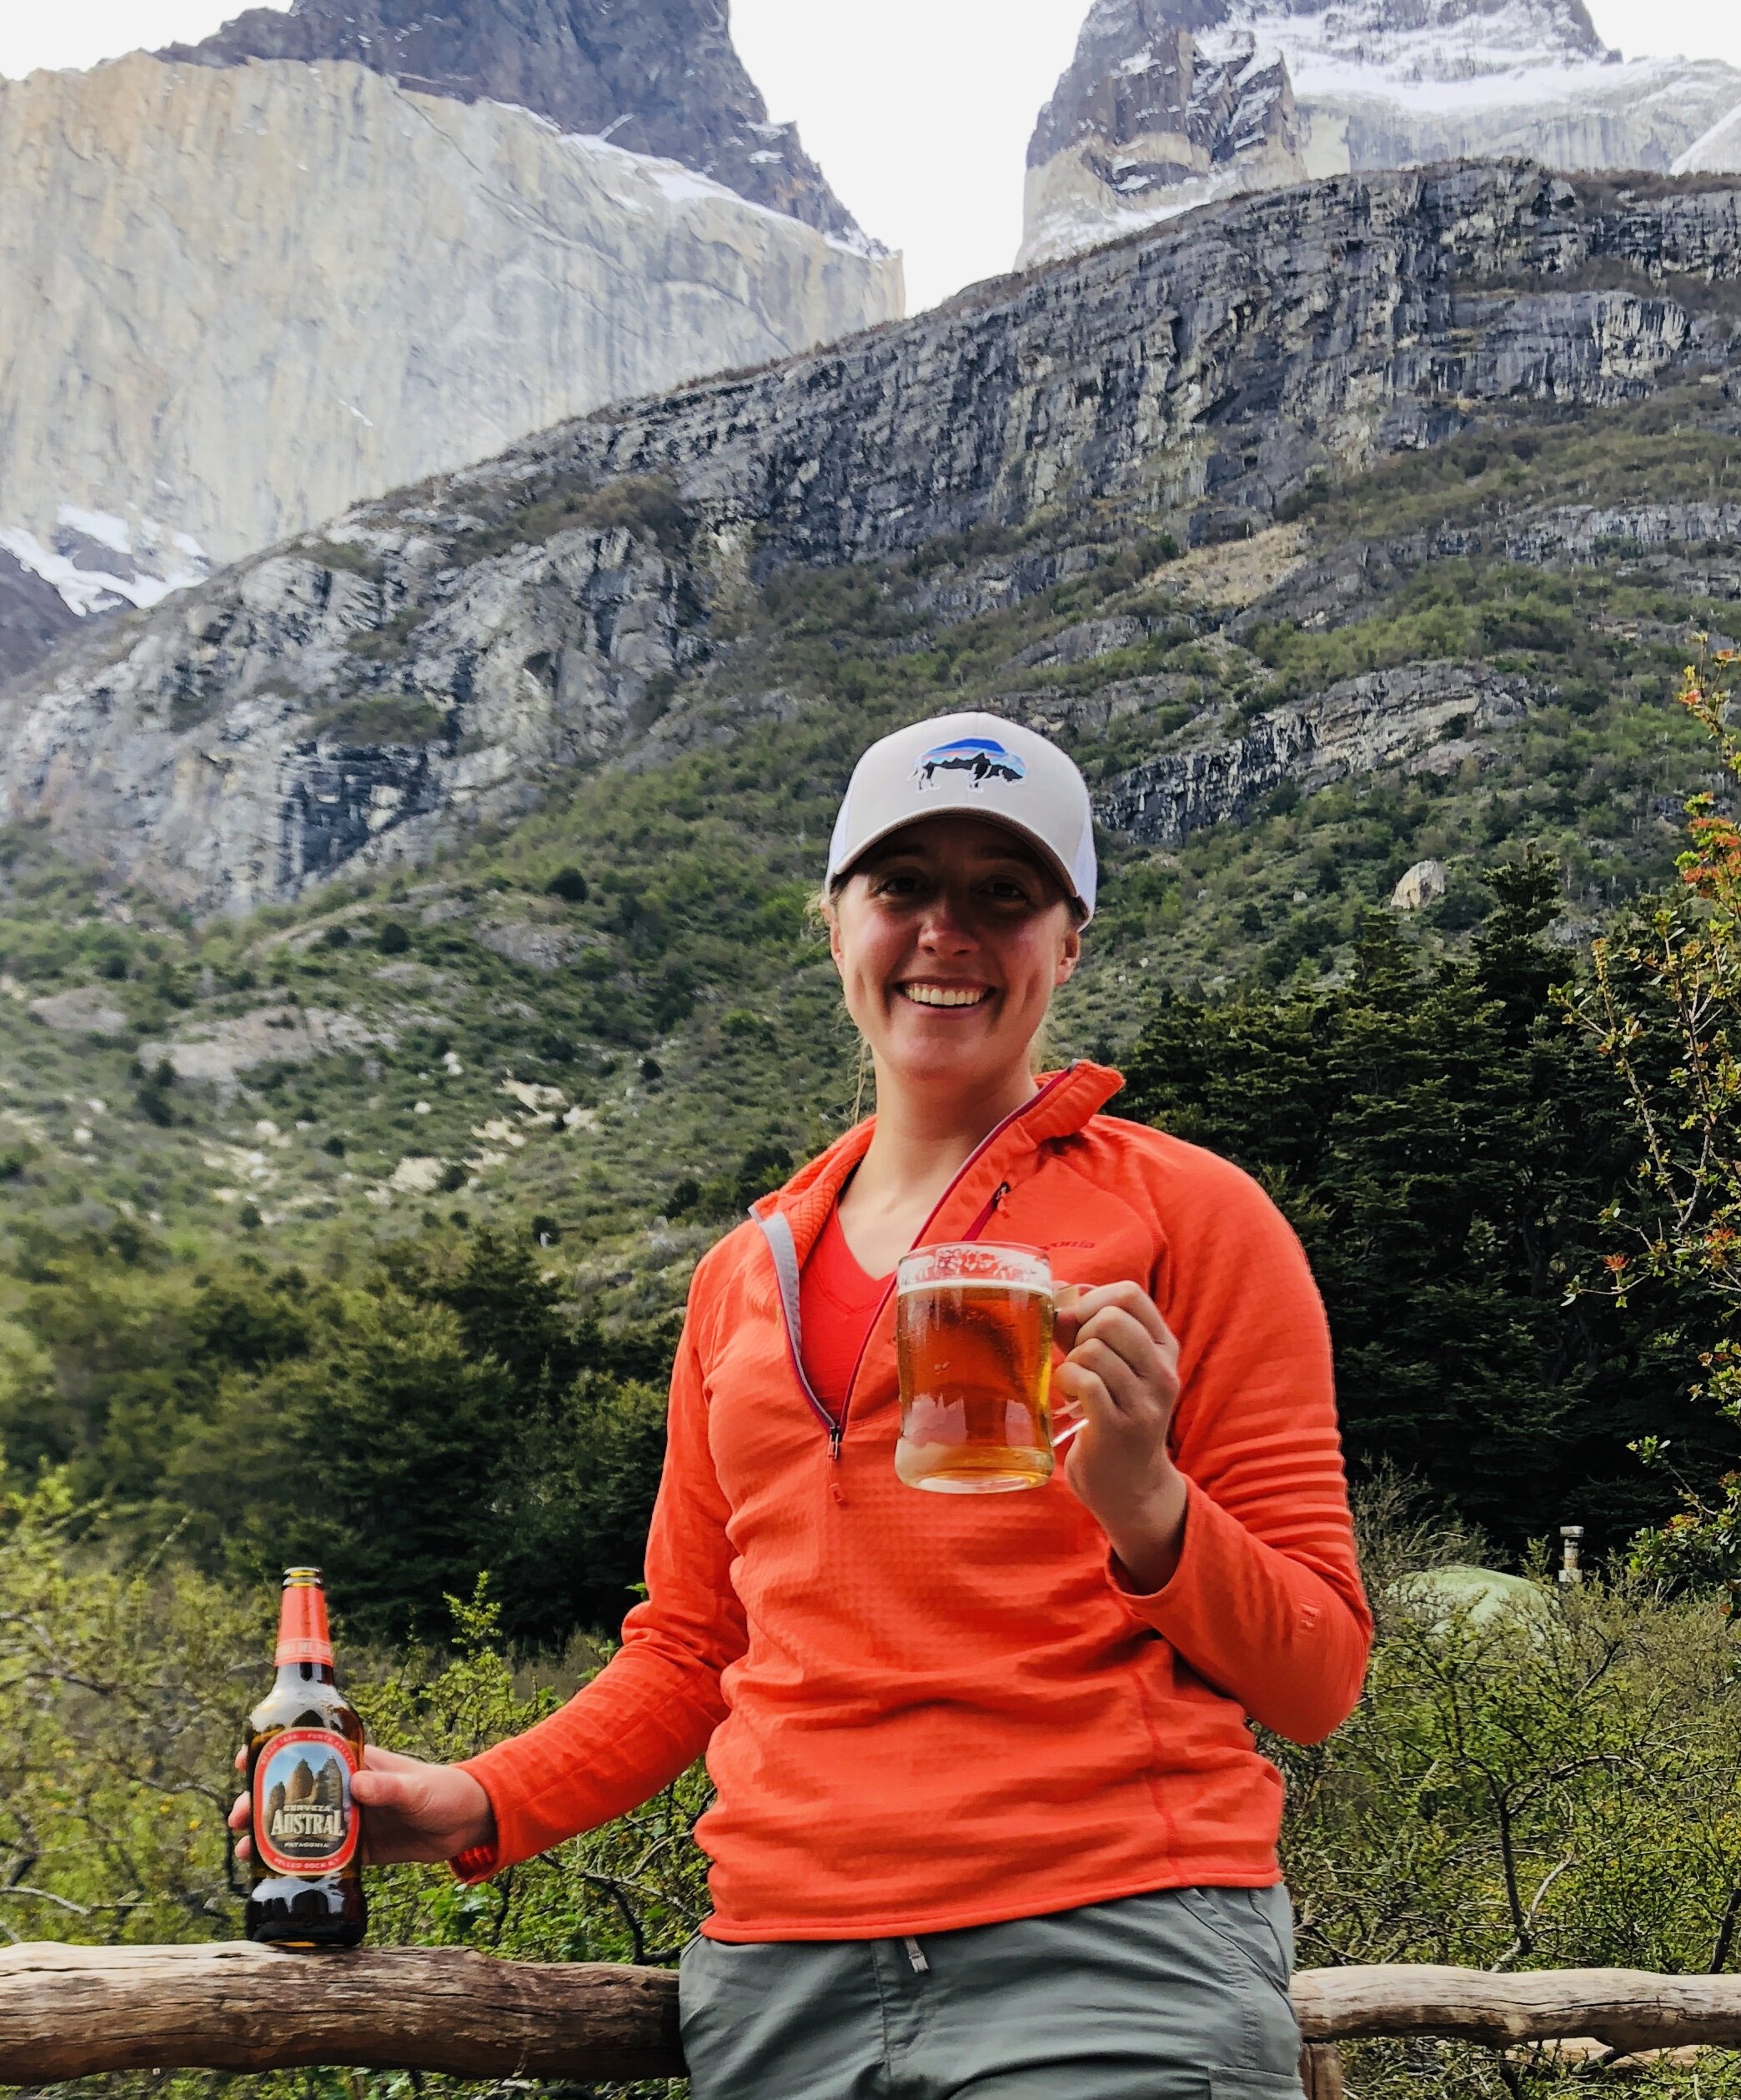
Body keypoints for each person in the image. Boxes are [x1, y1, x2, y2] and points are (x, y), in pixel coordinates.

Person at [232, 710, 1371, 2098]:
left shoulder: (1195, 1216)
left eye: (1003, 893)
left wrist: (1149, 1510)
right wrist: (478, 1799)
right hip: (778, 1985)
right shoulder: (737, 1276)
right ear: (835, 925)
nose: (947, 930)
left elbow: (1318, 1675)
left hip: (1111, 1956)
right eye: (903, 887)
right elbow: (689, 1649)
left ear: (1069, 941)